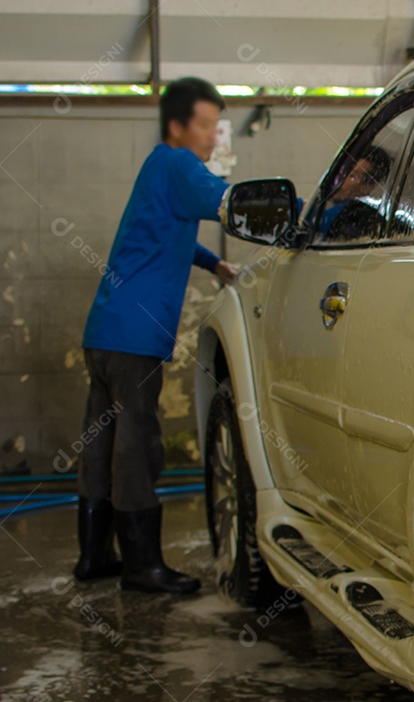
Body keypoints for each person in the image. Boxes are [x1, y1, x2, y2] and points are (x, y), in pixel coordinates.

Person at [75, 76, 241, 594]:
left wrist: (213, 263)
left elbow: (160, 231)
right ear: (178, 125)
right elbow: (231, 203)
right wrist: (300, 208)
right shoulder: (179, 165)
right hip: (136, 338)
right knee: (138, 446)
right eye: (206, 125)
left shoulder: (154, 166)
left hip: (104, 330)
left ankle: (94, 556)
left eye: (217, 126)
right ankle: (142, 565)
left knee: (100, 444)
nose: (214, 136)